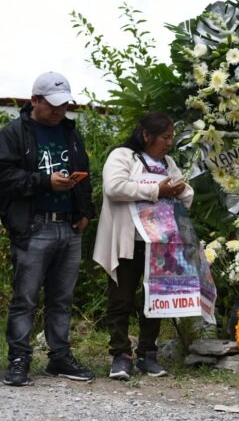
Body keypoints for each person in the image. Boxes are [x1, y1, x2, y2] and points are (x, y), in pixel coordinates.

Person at [0, 72, 95, 386]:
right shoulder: (14, 132)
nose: (59, 111)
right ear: (35, 100)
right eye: (52, 105)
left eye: (64, 104)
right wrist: (44, 181)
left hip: (68, 226)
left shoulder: (70, 131)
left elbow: (86, 172)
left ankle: (59, 358)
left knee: (62, 298)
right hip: (33, 225)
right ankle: (18, 359)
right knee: (25, 299)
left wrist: (85, 211)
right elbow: (4, 177)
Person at [93, 112, 193, 379]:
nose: (169, 143)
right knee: (121, 298)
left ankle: (148, 354)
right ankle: (120, 355)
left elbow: (187, 192)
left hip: (159, 243)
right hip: (127, 240)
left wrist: (180, 190)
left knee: (155, 298)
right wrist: (155, 191)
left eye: (171, 138)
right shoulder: (123, 156)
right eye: (165, 137)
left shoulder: (168, 162)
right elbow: (114, 187)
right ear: (146, 135)